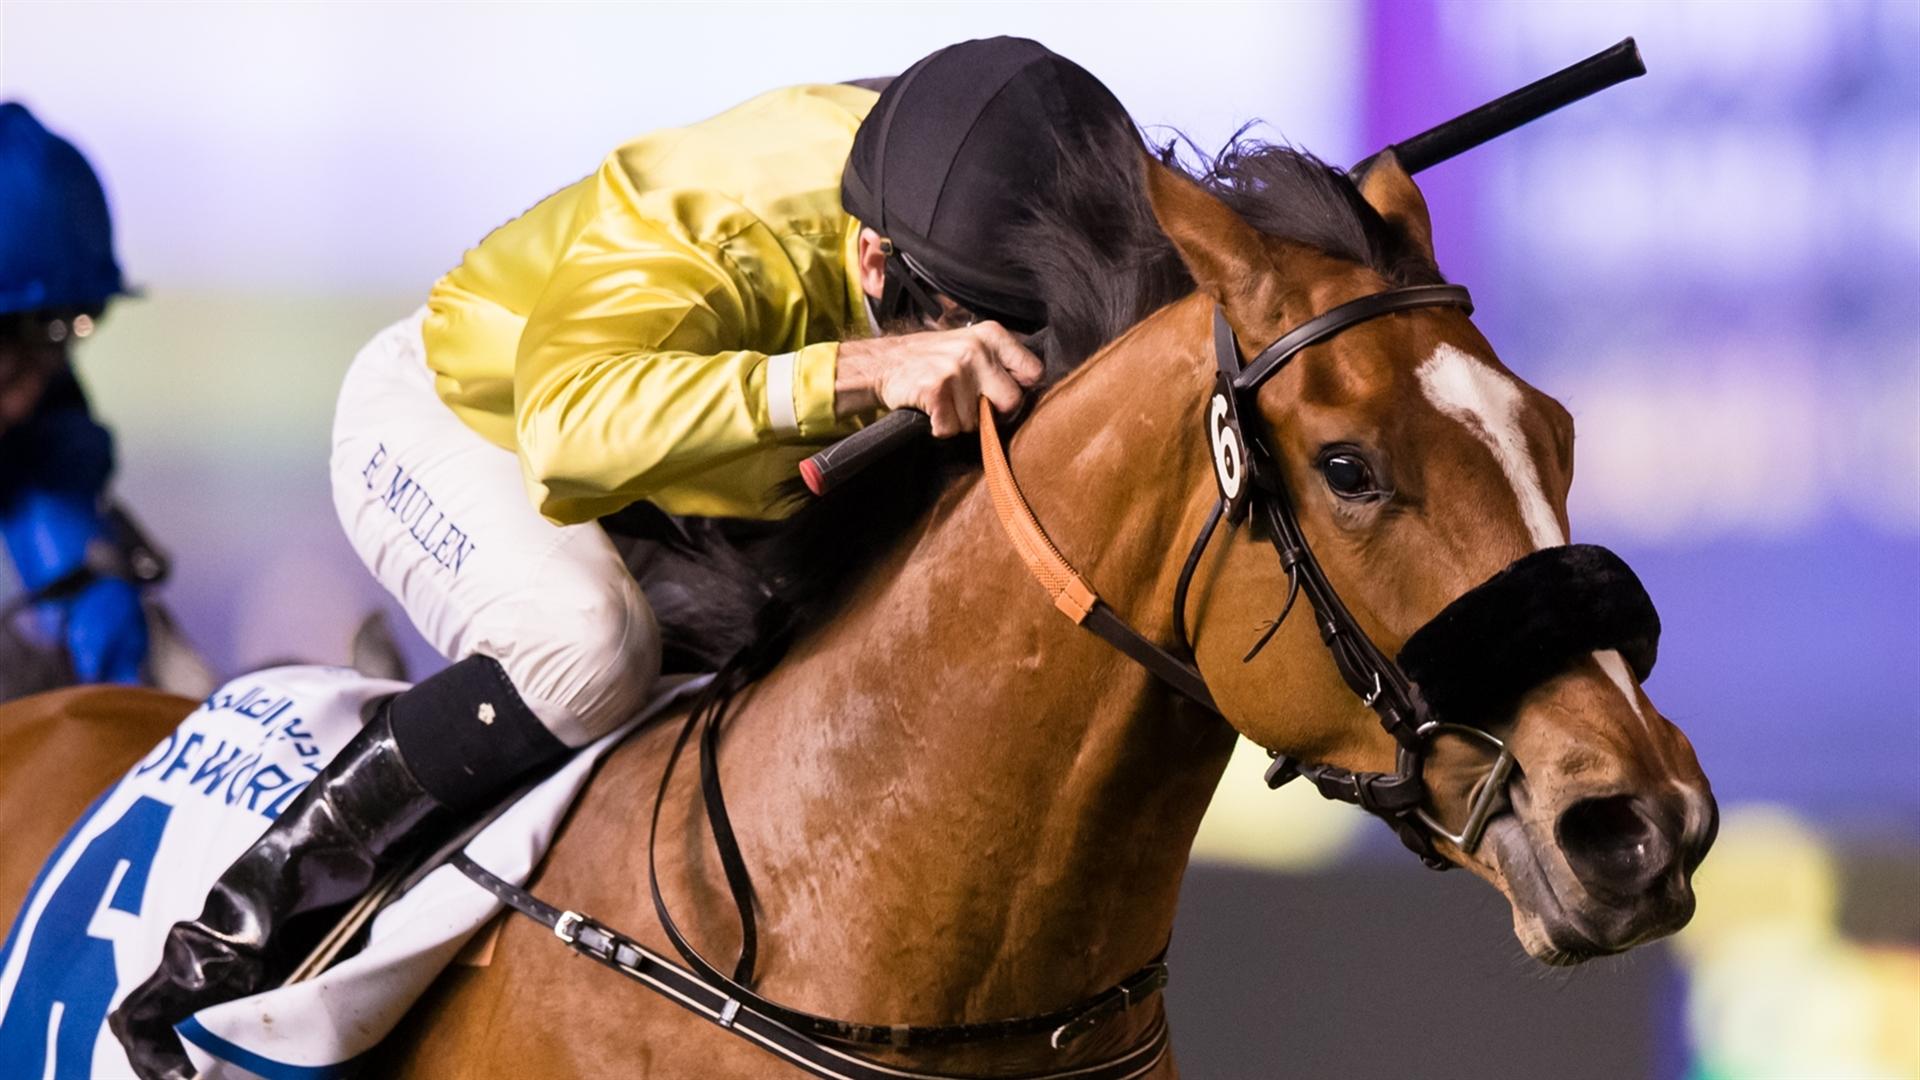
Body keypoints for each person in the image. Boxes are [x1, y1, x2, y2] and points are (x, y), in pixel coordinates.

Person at [112, 37, 1135, 1075]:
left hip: (708, 488)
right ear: (874, 262)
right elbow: (567, 439)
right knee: (589, 645)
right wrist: (860, 370)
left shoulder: (1080, 204)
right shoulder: (729, 213)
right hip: (477, 421)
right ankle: (231, 949)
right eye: (976, 328)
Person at [0, 102, 149, 690]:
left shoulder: (41, 426)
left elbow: (63, 537)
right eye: (12, 353)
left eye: (73, 329)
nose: (22, 402)